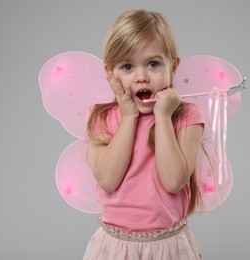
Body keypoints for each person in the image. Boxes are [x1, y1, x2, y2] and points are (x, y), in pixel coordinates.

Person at [83, 9, 204, 260]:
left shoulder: (187, 117)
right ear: (110, 73)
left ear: (174, 65)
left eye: (153, 64)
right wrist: (128, 117)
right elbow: (107, 179)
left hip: (167, 246)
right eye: (127, 66)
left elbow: (173, 181)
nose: (141, 77)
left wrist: (162, 117)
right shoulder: (102, 117)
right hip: (116, 246)